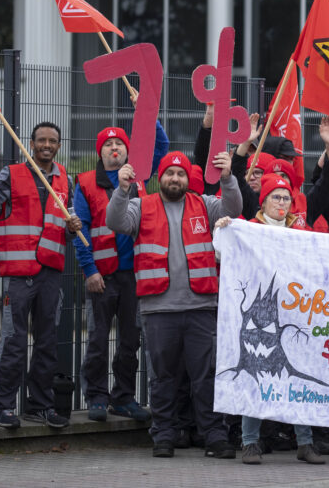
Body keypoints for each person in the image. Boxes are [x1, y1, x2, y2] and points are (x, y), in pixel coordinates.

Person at [106, 150, 243, 458]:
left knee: (205, 376)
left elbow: (233, 208)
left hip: (201, 307)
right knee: (164, 377)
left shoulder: (205, 205)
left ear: (186, 179)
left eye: (181, 174)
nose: (175, 179)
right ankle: (164, 435)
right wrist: (122, 187)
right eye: (170, 173)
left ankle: (214, 435)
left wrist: (227, 177)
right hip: (159, 310)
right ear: (160, 177)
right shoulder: (141, 206)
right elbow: (114, 221)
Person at [0, 121, 83, 429]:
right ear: (31, 144)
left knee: (47, 342)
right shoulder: (11, 174)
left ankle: (40, 405)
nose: (47, 145)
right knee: (14, 341)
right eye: (41, 140)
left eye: (53, 141)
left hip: (50, 272)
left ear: (59, 146)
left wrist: (74, 229)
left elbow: (69, 220)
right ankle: (2, 406)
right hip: (20, 274)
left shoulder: (65, 179)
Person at [73, 122, 168, 424]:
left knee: (131, 339)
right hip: (100, 276)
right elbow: (80, 230)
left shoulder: (138, 176)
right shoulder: (86, 183)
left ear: (128, 151)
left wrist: (149, 117)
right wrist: (89, 270)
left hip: (133, 275)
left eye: (120, 145)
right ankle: (97, 397)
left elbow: (161, 148)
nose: (115, 149)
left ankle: (124, 397)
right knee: (98, 340)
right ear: (99, 153)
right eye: (108, 146)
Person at [234, 173, 326, 466]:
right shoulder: (248, 229)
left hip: (293, 314)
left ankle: (305, 442)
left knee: (296, 375)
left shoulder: (301, 231)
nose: (282, 203)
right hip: (259, 318)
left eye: (286, 198)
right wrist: (224, 228)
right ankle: (250, 442)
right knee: (255, 374)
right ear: (264, 201)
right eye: (276, 197)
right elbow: (225, 252)